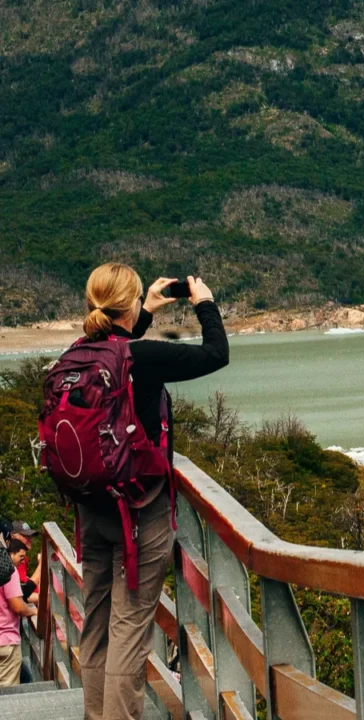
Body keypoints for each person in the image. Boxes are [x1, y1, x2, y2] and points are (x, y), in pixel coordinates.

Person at [76, 264, 228, 720]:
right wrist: (204, 302)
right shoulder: (142, 356)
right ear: (131, 301)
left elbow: (117, 351)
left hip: (93, 508)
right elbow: (215, 354)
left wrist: (145, 312)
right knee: (129, 628)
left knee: (97, 623)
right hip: (138, 510)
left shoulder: (82, 351)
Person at [0, 537, 37, 688]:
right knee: (7, 697)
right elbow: (17, 606)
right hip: (5, 640)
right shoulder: (8, 569)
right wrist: (32, 612)